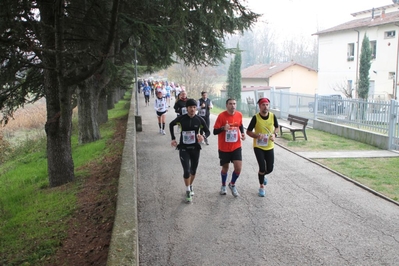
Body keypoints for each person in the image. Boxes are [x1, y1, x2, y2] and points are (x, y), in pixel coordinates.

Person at [169, 99, 210, 203]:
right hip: (183, 148)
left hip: (195, 148)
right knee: (186, 170)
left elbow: (208, 131)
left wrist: (203, 136)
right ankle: (187, 190)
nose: (193, 109)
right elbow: (171, 124)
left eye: (194, 107)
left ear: (196, 108)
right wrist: (173, 138)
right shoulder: (181, 119)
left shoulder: (199, 119)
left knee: (193, 170)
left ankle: (190, 185)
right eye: (190, 107)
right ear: (186, 108)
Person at [246, 98, 279, 197]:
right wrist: (256, 136)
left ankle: (262, 176)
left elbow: (277, 128)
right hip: (258, 146)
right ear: (259, 106)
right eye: (263, 105)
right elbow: (248, 131)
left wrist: (274, 135)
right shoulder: (255, 117)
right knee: (262, 167)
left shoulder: (273, 116)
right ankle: (261, 186)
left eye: (267, 105)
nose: (266, 106)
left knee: (270, 168)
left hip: (269, 146)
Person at [213, 98, 246, 197]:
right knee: (225, 168)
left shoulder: (239, 114)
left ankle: (232, 184)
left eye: (234, 104)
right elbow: (215, 131)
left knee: (238, 168)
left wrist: (243, 133)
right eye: (230, 104)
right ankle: (223, 185)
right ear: (226, 105)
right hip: (224, 147)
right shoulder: (221, 116)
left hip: (236, 146)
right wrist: (223, 128)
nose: (233, 106)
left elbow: (240, 125)